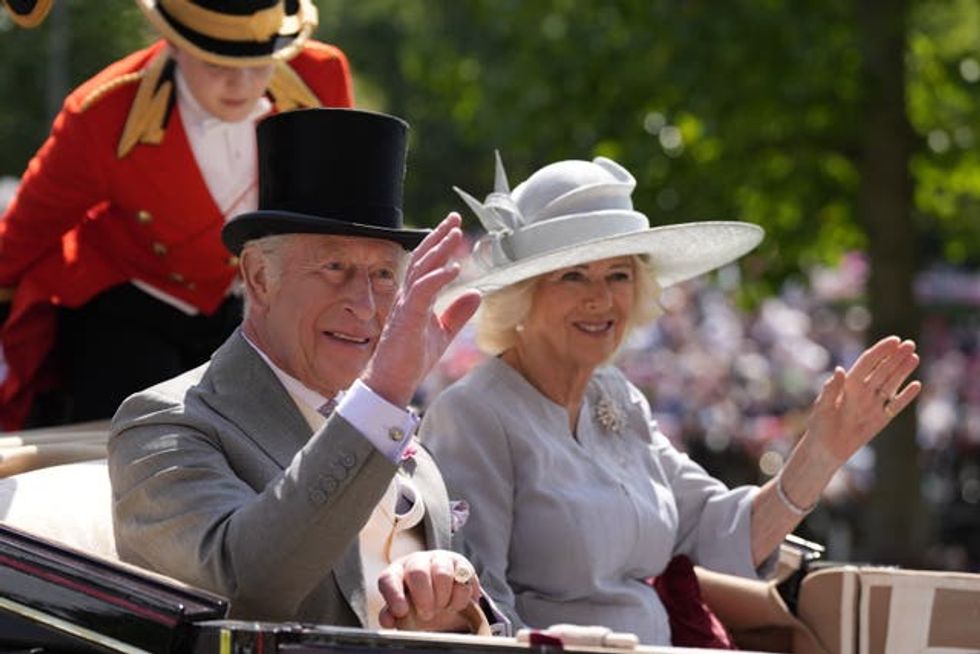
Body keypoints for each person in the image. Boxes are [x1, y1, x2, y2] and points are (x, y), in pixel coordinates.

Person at [420, 154, 922, 645]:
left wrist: (821, 454)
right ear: (520, 295)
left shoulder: (617, 399)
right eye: (573, 275)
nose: (601, 297)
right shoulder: (474, 415)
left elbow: (717, 532)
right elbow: (478, 612)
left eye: (619, 274)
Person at [108, 107, 501, 632]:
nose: (364, 305)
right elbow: (246, 589)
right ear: (259, 278)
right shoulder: (169, 423)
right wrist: (382, 393)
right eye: (334, 267)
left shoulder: (397, 430)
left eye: (384, 274)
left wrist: (458, 610)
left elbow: (496, 618)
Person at [0, 0, 353, 430]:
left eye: (260, 62)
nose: (242, 82)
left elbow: (342, 211)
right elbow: (24, 233)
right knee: (128, 448)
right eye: (217, 62)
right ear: (175, 44)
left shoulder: (323, 77)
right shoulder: (102, 112)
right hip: (131, 312)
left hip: (250, 314)